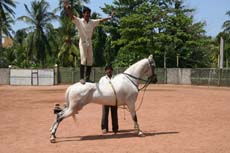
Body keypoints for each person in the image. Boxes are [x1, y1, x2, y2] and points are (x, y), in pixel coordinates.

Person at [64, 0, 114, 84]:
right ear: (83, 14)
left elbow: (101, 20)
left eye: (88, 13)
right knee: (83, 59)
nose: (87, 15)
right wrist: (68, 8)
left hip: (89, 42)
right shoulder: (79, 21)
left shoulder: (92, 22)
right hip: (82, 42)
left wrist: (109, 17)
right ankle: (81, 78)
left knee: (90, 60)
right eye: (86, 13)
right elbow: (71, 16)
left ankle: (87, 78)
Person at [99, 64, 119, 134]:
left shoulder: (116, 78)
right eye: (107, 69)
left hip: (114, 98)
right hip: (105, 98)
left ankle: (115, 128)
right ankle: (104, 128)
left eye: (110, 69)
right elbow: (100, 89)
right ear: (105, 71)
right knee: (105, 114)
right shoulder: (102, 79)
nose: (109, 71)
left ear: (112, 71)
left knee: (114, 113)